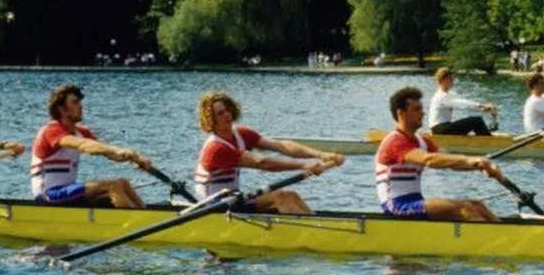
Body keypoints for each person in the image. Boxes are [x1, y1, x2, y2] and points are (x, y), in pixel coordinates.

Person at [194, 91, 344, 215]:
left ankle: (318, 228)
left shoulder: (241, 134)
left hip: (232, 199)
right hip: (212, 207)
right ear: (210, 121)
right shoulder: (215, 148)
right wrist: (305, 165)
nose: (227, 115)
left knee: (290, 196)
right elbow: (261, 163)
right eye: (220, 113)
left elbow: (281, 146)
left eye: (227, 110)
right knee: (281, 197)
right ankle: (315, 236)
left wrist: (320, 155)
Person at [374, 86, 503, 222]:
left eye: (422, 109)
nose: (423, 113)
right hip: (397, 207)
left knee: (477, 205)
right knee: (465, 209)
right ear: (401, 113)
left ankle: (505, 236)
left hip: (415, 202)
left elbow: (450, 161)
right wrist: (475, 161)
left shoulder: (422, 140)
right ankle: (486, 241)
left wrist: (481, 166)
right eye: (417, 109)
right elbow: (429, 159)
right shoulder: (395, 141)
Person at [30, 84, 155, 207]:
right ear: (61, 109)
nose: (81, 106)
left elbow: (110, 154)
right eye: (75, 103)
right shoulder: (51, 130)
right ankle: (137, 221)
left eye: (80, 102)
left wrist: (137, 158)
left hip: (67, 191)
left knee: (123, 183)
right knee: (113, 186)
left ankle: (147, 217)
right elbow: (84, 145)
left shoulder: (81, 132)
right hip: (48, 195)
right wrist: (118, 150)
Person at [427, 67, 498, 136]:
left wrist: (485, 109)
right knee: (476, 121)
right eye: (450, 79)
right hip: (439, 130)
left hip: (444, 128)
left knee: (475, 121)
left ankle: (485, 139)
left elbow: (466, 103)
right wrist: (482, 105)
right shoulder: (441, 96)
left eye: (452, 78)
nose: (452, 81)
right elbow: (462, 104)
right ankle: (488, 143)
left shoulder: (451, 94)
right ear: (442, 80)